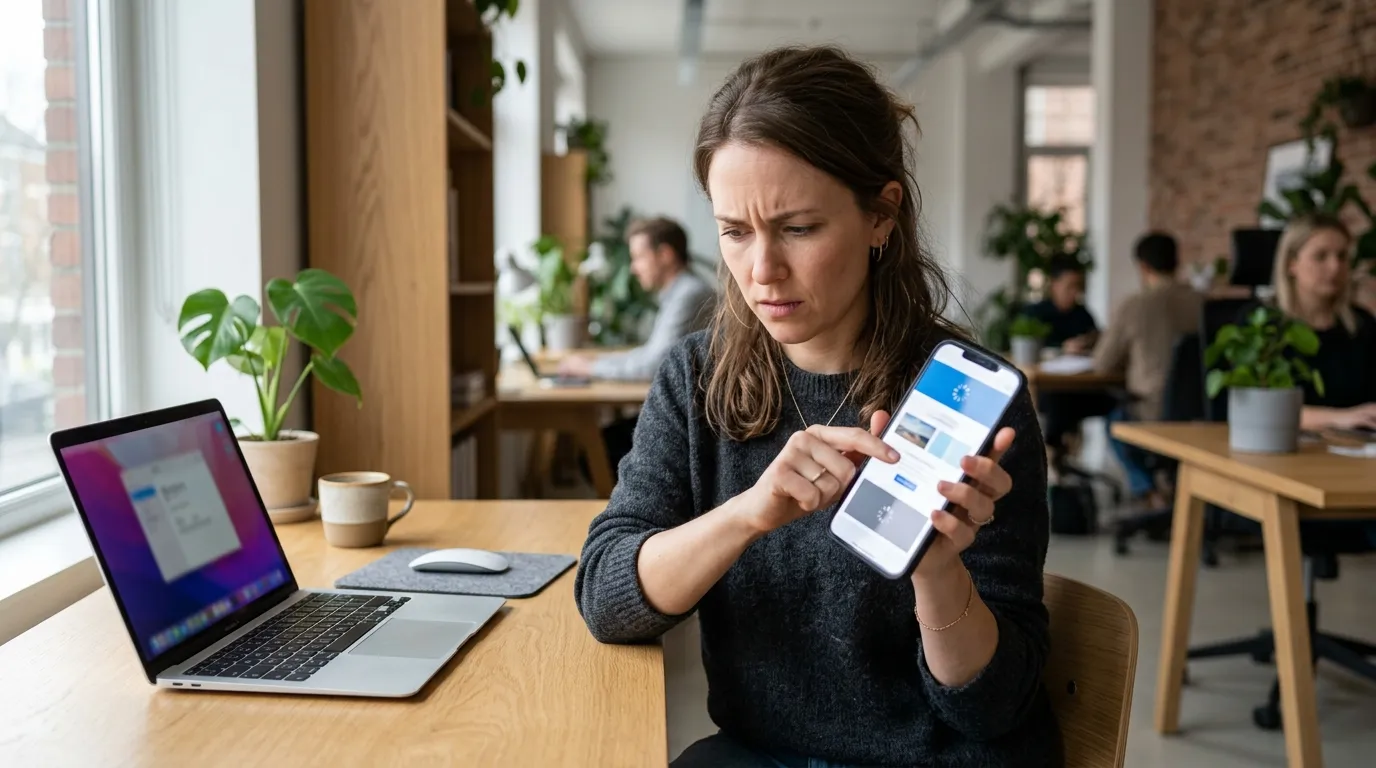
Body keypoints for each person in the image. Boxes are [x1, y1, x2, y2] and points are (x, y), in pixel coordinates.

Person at [574, 46, 1061, 768]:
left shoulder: (975, 402)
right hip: (759, 753)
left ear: (881, 215)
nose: (762, 271)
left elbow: (991, 709)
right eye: (735, 231)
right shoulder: (696, 379)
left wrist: (935, 569)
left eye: (798, 229)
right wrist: (748, 514)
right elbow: (607, 600)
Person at [559, 217, 716, 479]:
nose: (633, 268)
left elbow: (653, 365)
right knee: (601, 443)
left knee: (596, 451)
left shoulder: (689, 294)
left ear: (665, 255)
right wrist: (596, 363)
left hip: (694, 424)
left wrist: (591, 368)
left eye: (639, 258)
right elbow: (651, 353)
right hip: (687, 414)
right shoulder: (677, 293)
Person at [1094, 232, 1203, 505]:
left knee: (1114, 420)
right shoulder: (1203, 303)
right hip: (1201, 416)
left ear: (1143, 266)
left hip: (1150, 411)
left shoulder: (1136, 305)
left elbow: (1103, 364)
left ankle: (1149, 492)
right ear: (1177, 261)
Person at [1267, 213, 1376, 431]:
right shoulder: (1263, 326)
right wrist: (1340, 418)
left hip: (1357, 445)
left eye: (1342, 256)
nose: (1335, 267)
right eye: (1320, 256)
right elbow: (1261, 410)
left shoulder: (1361, 324)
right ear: (1291, 264)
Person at [1020, 257, 1098, 353]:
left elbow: (1094, 336)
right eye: (1069, 286)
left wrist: (1087, 341)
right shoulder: (1034, 314)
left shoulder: (1083, 315)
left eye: (1077, 286)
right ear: (1054, 284)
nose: (1074, 292)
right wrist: (1061, 348)